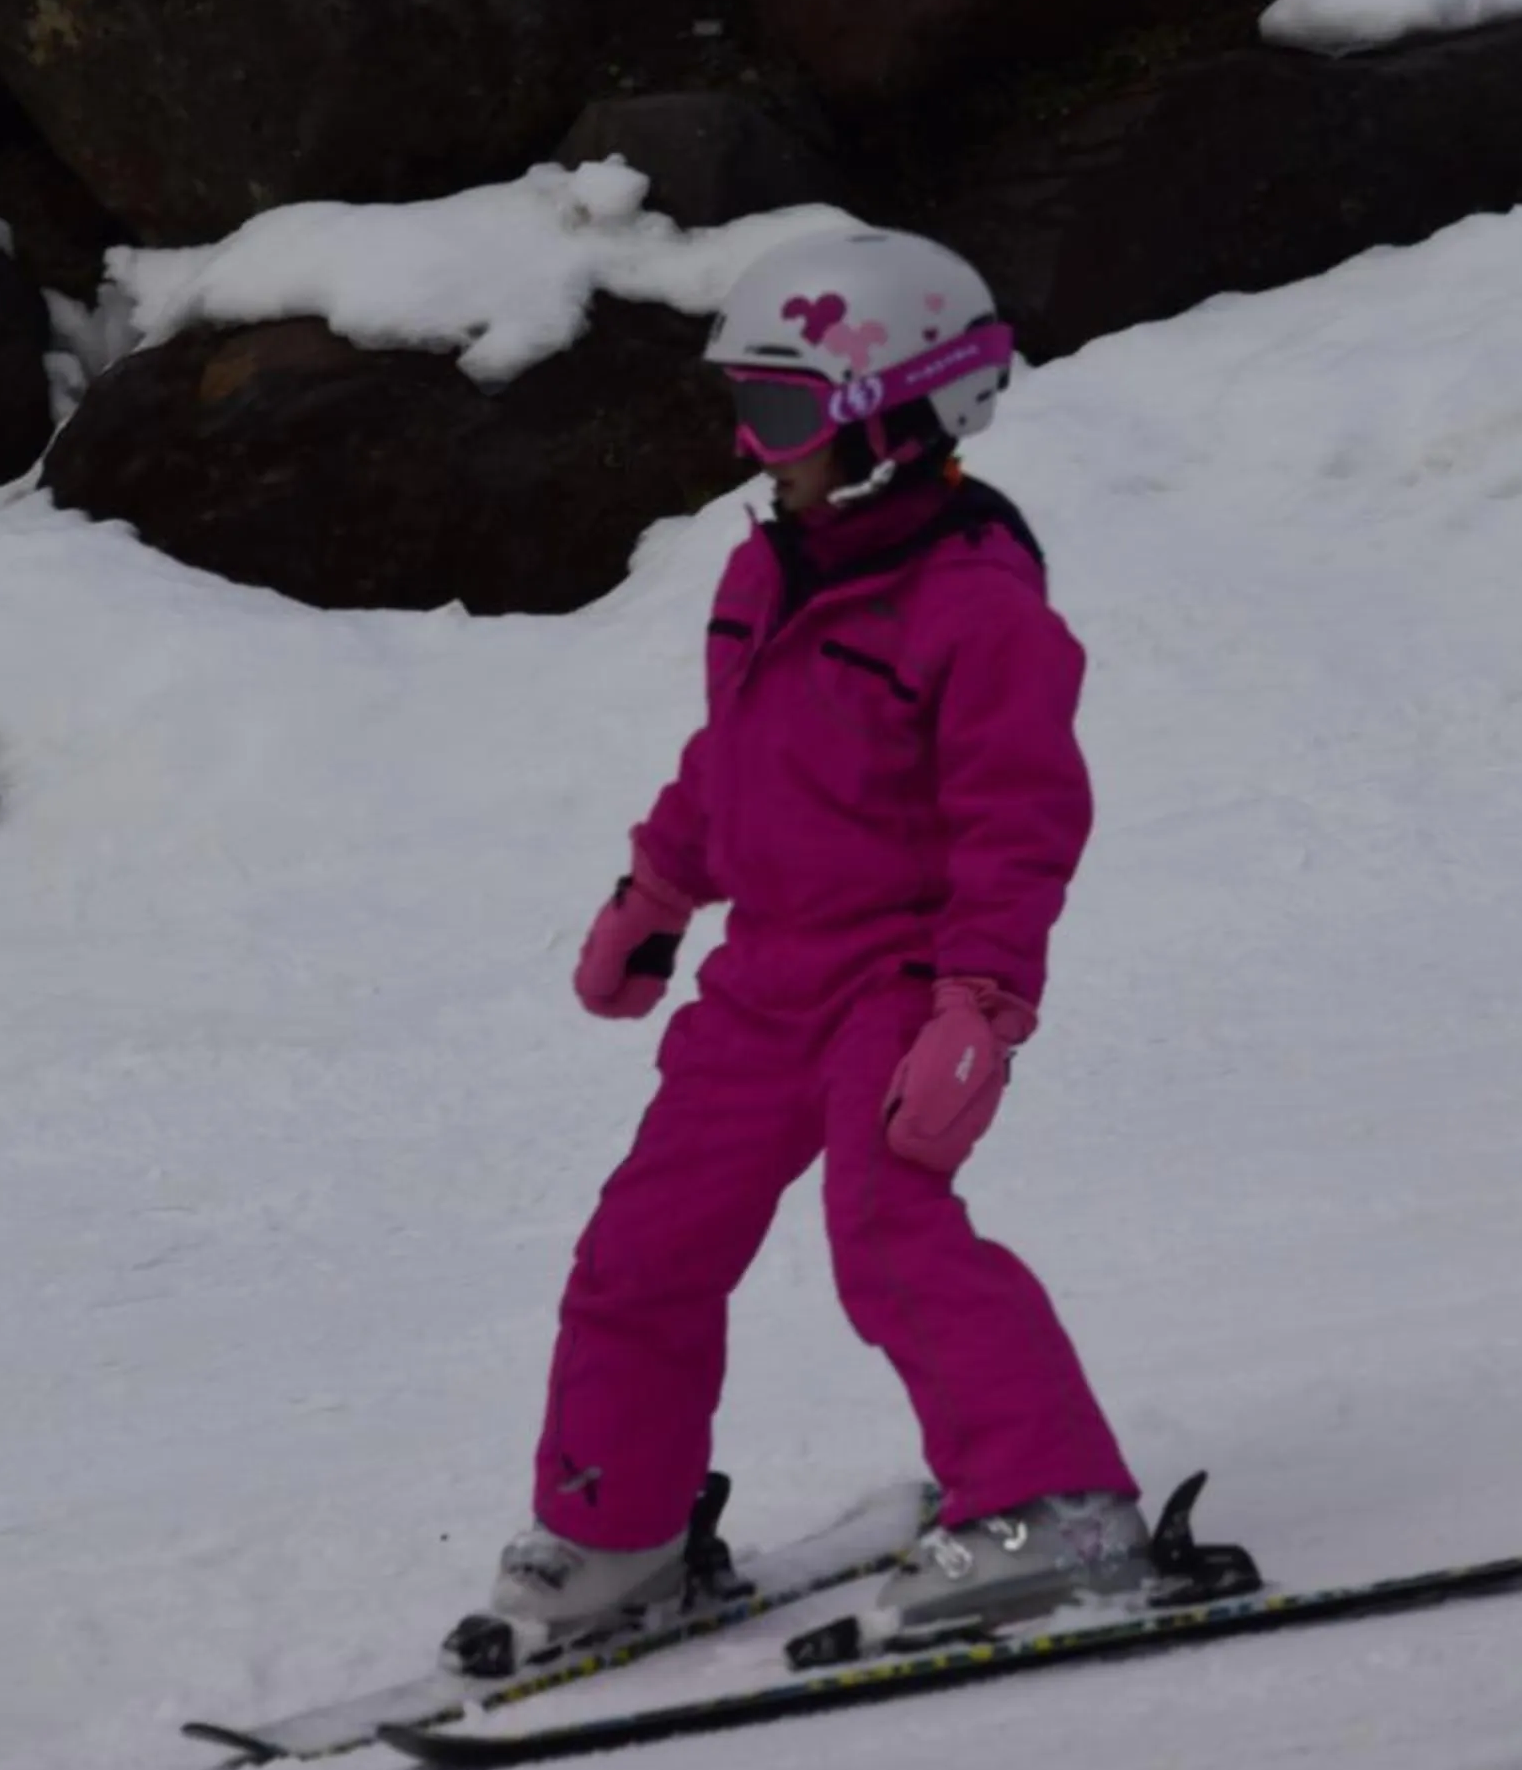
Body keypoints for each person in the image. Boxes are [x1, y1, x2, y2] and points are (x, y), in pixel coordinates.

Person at [461, 227, 1145, 1662]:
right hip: (763, 977)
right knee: (639, 1249)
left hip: (896, 979)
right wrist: (657, 892)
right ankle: (616, 1526)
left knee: (885, 1233)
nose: (749, 447)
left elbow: (1022, 824)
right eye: (745, 408)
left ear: (899, 424)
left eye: (778, 414)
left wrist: (980, 1007)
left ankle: (1055, 1501)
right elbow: (736, 761)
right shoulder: (766, 575)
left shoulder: (979, 615)